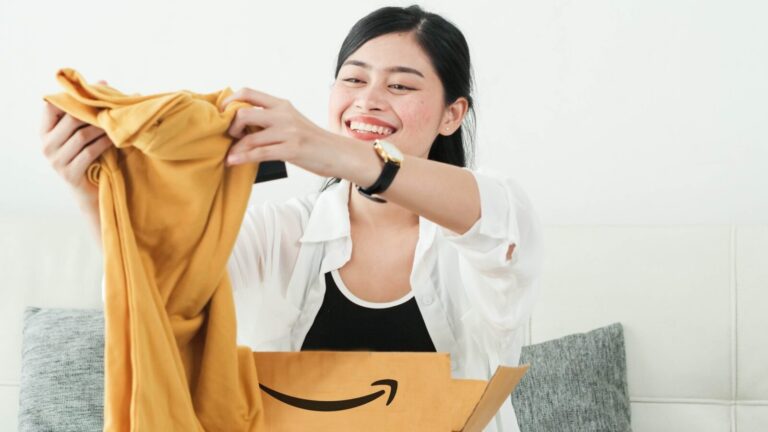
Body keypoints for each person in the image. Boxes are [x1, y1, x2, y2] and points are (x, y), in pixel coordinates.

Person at [40, 5, 542, 431]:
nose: (368, 99)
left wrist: (334, 152)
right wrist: (93, 191)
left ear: (452, 115)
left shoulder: (488, 217)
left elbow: (491, 218)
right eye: (354, 78)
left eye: (401, 87)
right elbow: (161, 297)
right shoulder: (279, 231)